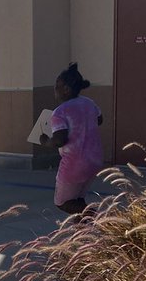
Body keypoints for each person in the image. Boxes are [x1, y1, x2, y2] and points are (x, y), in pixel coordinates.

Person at [39, 62, 104, 214]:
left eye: (57, 86)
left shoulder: (59, 112)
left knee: (62, 202)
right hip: (94, 160)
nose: (54, 89)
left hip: (74, 163)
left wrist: (45, 141)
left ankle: (100, 219)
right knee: (77, 199)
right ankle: (83, 233)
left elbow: (60, 140)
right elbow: (100, 120)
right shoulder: (89, 103)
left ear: (66, 90)